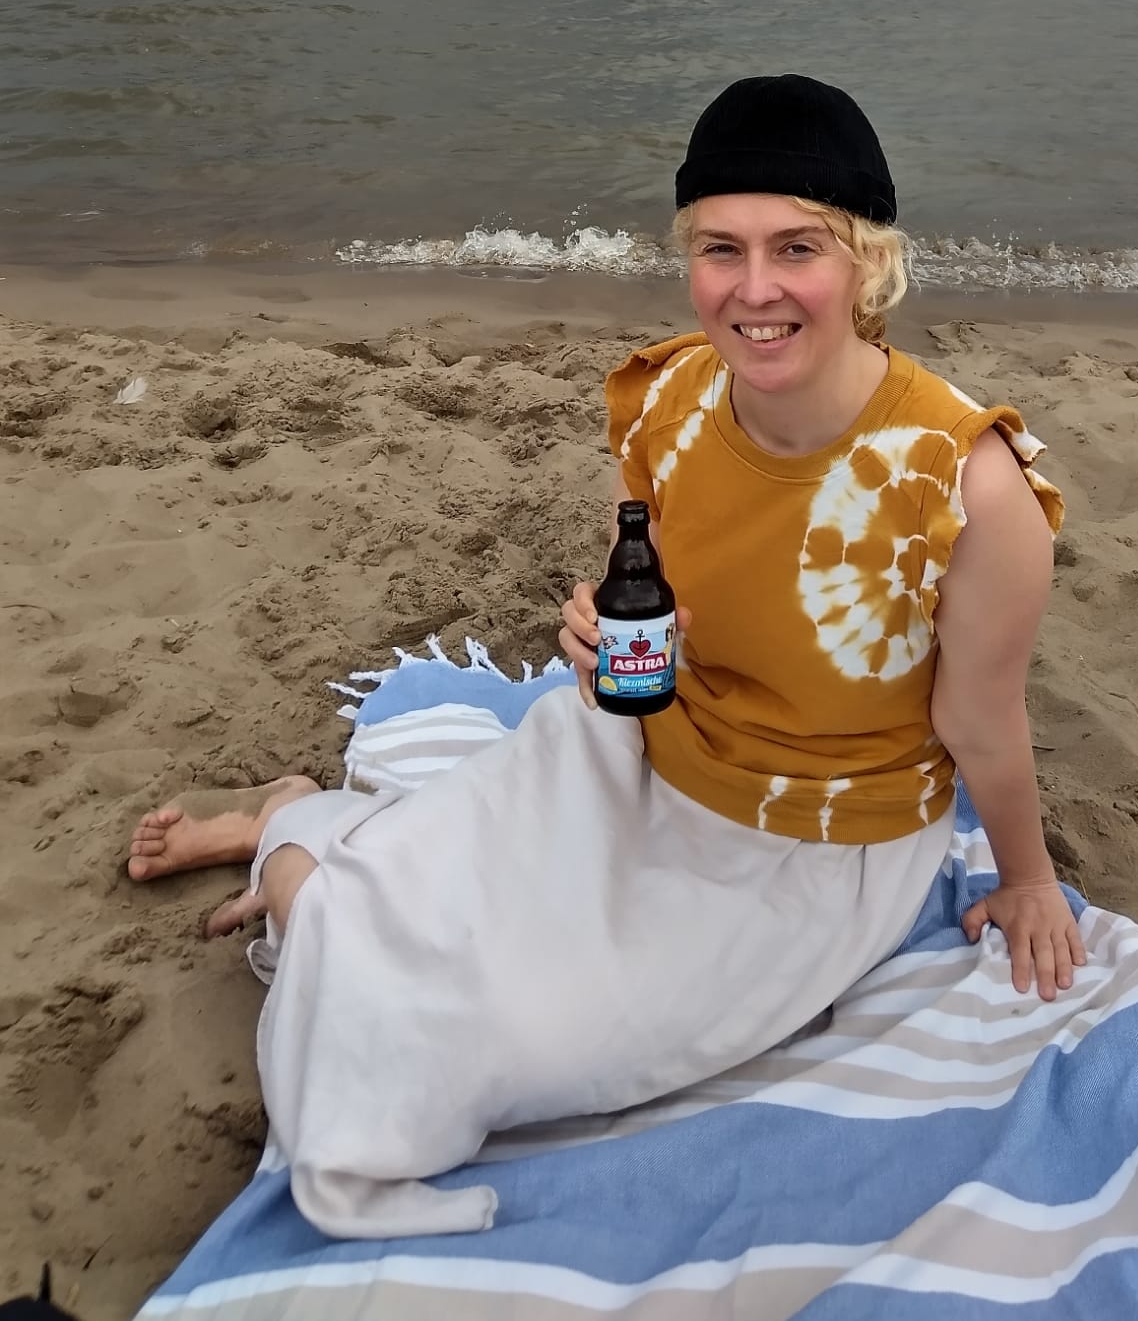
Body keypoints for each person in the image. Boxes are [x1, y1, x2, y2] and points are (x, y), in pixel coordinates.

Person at [124, 74, 1079, 1239]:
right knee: (405, 913)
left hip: (814, 848)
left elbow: (981, 721)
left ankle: (289, 835)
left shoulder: (968, 484)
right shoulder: (677, 398)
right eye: (721, 248)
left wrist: (1027, 878)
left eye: (798, 247)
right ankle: (294, 822)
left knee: (468, 1033)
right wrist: (603, 628)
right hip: (637, 752)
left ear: (867, 264)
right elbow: (669, 589)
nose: (756, 287)